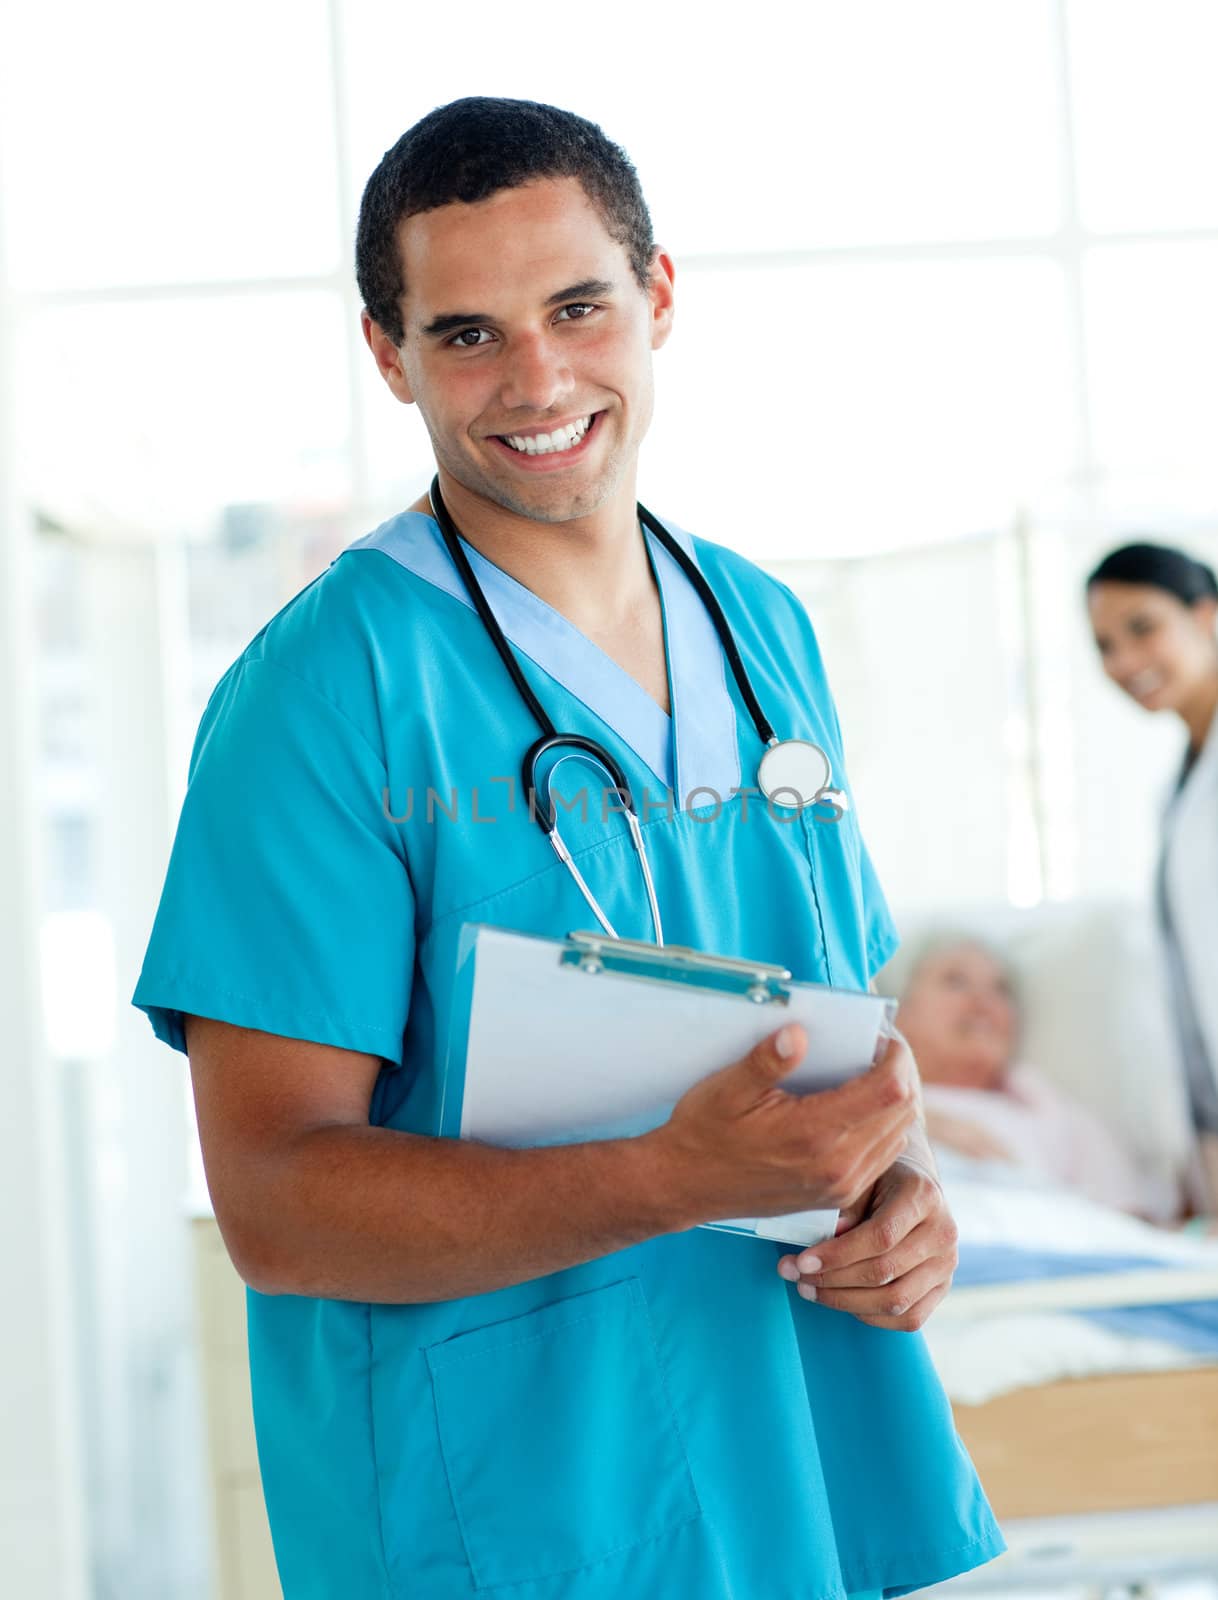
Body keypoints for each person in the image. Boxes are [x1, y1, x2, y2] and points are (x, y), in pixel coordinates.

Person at [132, 97, 1003, 1598]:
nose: (536, 379)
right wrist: (664, 1178)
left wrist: (900, 1193)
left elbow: (836, 1050)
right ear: (388, 353)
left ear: (657, 297)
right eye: (465, 332)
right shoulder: (322, 692)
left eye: (578, 306)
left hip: (790, 1454)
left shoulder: (762, 631)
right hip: (509, 1506)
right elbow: (273, 1205)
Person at [1087, 542, 1218, 1218]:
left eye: (1143, 628)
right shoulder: (1179, 785)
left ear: (1206, 616)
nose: (1124, 662)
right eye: (1105, 644)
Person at [890, 933, 1178, 1219]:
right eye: (955, 981)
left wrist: (1008, 1172)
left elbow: (1134, 1229)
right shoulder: (868, 1096)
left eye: (1001, 989)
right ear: (902, 1013)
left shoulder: (1058, 1117)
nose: (982, 1001)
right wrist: (915, 1125)